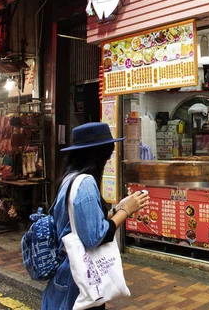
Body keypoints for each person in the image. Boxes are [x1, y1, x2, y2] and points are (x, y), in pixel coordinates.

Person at [42, 122, 149, 310]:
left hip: (67, 275)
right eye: (107, 155)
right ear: (99, 155)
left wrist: (115, 210)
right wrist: (126, 211)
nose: (108, 160)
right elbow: (94, 237)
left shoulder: (70, 178)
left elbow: (83, 221)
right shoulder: (86, 183)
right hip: (77, 278)